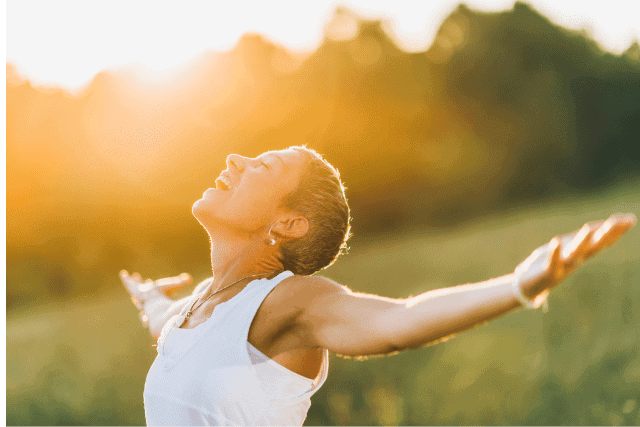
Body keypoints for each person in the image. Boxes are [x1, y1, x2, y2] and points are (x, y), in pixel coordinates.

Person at [120, 145, 636, 426]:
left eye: (263, 166)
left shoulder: (286, 301)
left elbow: (399, 322)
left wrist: (521, 284)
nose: (235, 160)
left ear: (289, 223)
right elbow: (164, 322)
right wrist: (149, 296)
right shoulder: (196, 308)